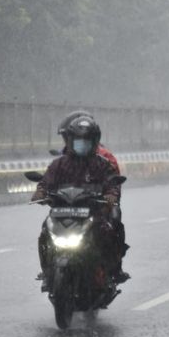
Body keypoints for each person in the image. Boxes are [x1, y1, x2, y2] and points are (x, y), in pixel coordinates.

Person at [31, 116, 129, 289]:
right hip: (63, 212)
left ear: (94, 142)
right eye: (77, 140)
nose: (81, 144)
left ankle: (113, 269)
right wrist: (40, 192)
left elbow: (112, 183)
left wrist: (111, 195)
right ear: (70, 140)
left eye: (86, 141)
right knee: (44, 231)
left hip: (92, 213)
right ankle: (47, 271)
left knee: (111, 231)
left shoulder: (102, 163)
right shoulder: (59, 164)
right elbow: (46, 181)